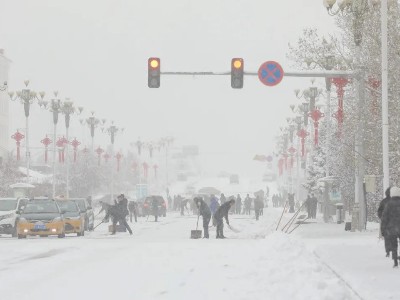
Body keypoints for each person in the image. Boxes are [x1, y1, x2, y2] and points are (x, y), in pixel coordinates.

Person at [382, 186, 400, 267]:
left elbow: (384, 217)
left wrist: (383, 229)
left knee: (394, 244)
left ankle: (395, 260)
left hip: (392, 228)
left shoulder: (388, 204)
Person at [378, 187, 391, 257]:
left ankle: (388, 251)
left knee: (387, 236)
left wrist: (382, 217)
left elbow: (379, 211)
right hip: (395, 222)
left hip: (386, 222)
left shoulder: (383, 201)